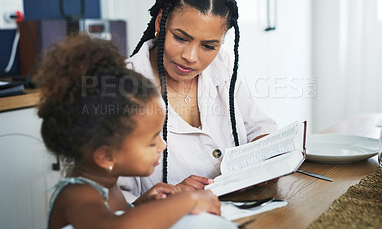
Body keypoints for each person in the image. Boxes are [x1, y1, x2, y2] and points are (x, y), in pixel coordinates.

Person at [36, 34, 236, 229]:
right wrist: (189, 201)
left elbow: (118, 216)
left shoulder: (106, 184)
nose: (162, 145)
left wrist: (141, 204)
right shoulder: (77, 195)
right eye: (152, 141)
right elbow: (116, 226)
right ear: (106, 156)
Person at [120, 0, 277, 203]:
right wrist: (167, 198)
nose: (191, 57)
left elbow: (259, 127)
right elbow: (107, 200)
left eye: (209, 46)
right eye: (181, 38)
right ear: (161, 22)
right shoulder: (121, 88)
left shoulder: (222, 66)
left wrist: (265, 156)